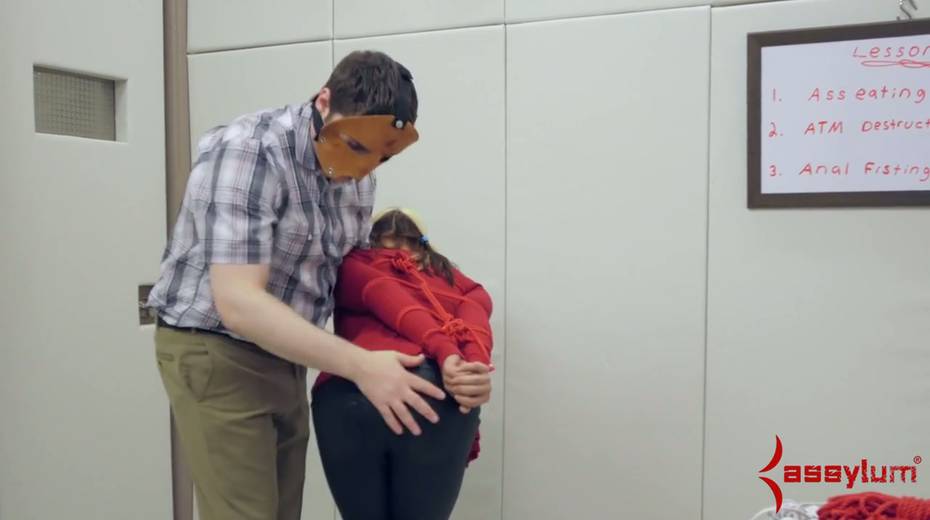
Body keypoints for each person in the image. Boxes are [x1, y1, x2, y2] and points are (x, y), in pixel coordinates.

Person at [147, 51, 491, 520]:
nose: (363, 168)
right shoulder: (249, 150)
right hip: (215, 347)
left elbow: (361, 286)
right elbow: (238, 302)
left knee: (281, 510)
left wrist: (451, 352)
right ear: (323, 102)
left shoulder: (358, 180)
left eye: (381, 158)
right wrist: (363, 367)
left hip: (288, 352)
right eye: (355, 146)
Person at [311, 208, 495, 520]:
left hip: (350, 393)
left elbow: (384, 295)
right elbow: (474, 314)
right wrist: (470, 365)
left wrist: (449, 353)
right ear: (424, 246)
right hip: (434, 390)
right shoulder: (456, 282)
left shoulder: (355, 262)